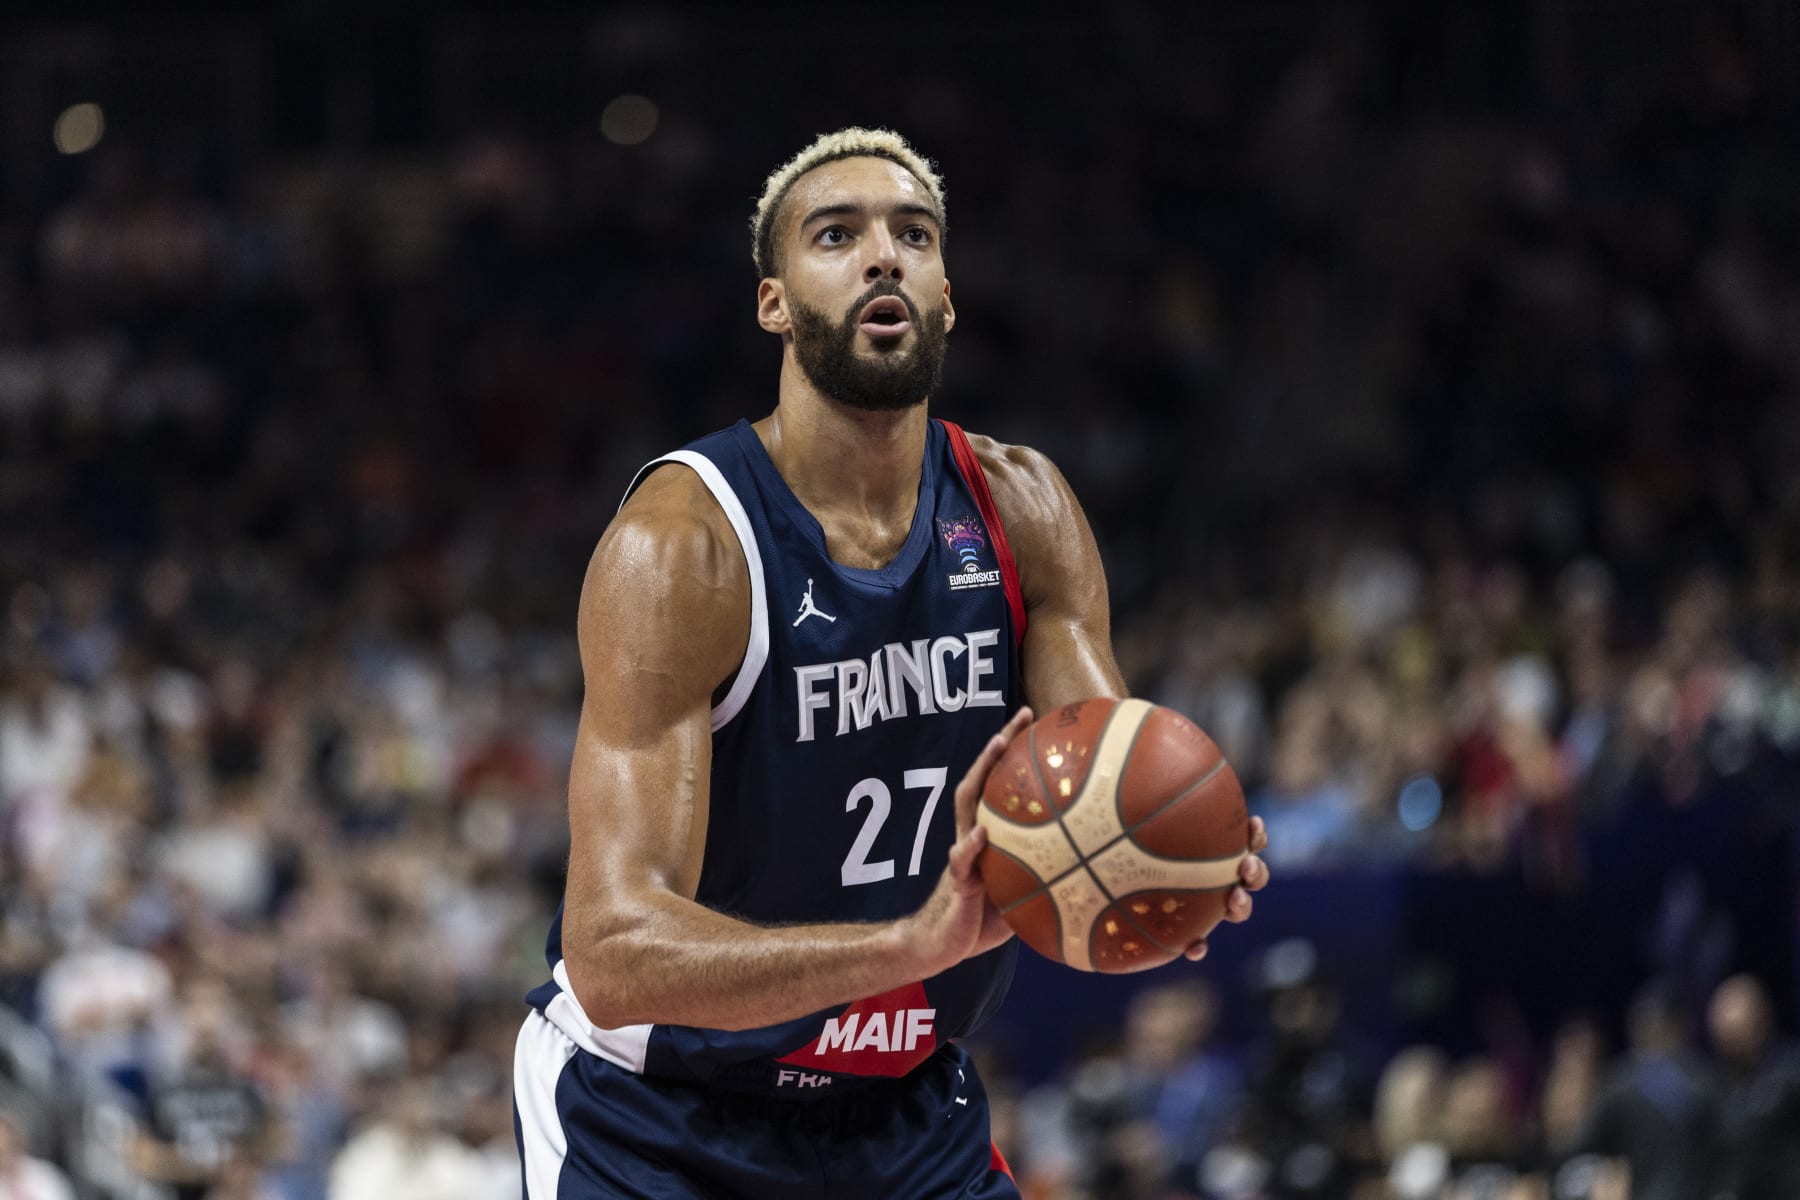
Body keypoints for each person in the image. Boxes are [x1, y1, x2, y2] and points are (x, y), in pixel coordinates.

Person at [511, 127, 1271, 1199]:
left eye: (913, 234)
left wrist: (1169, 863)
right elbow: (612, 955)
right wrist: (903, 950)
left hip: (906, 1115)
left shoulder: (1023, 510)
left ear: (946, 297)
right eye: (837, 235)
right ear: (774, 303)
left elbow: (1102, 787)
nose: (883, 255)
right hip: (657, 1118)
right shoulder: (684, 547)